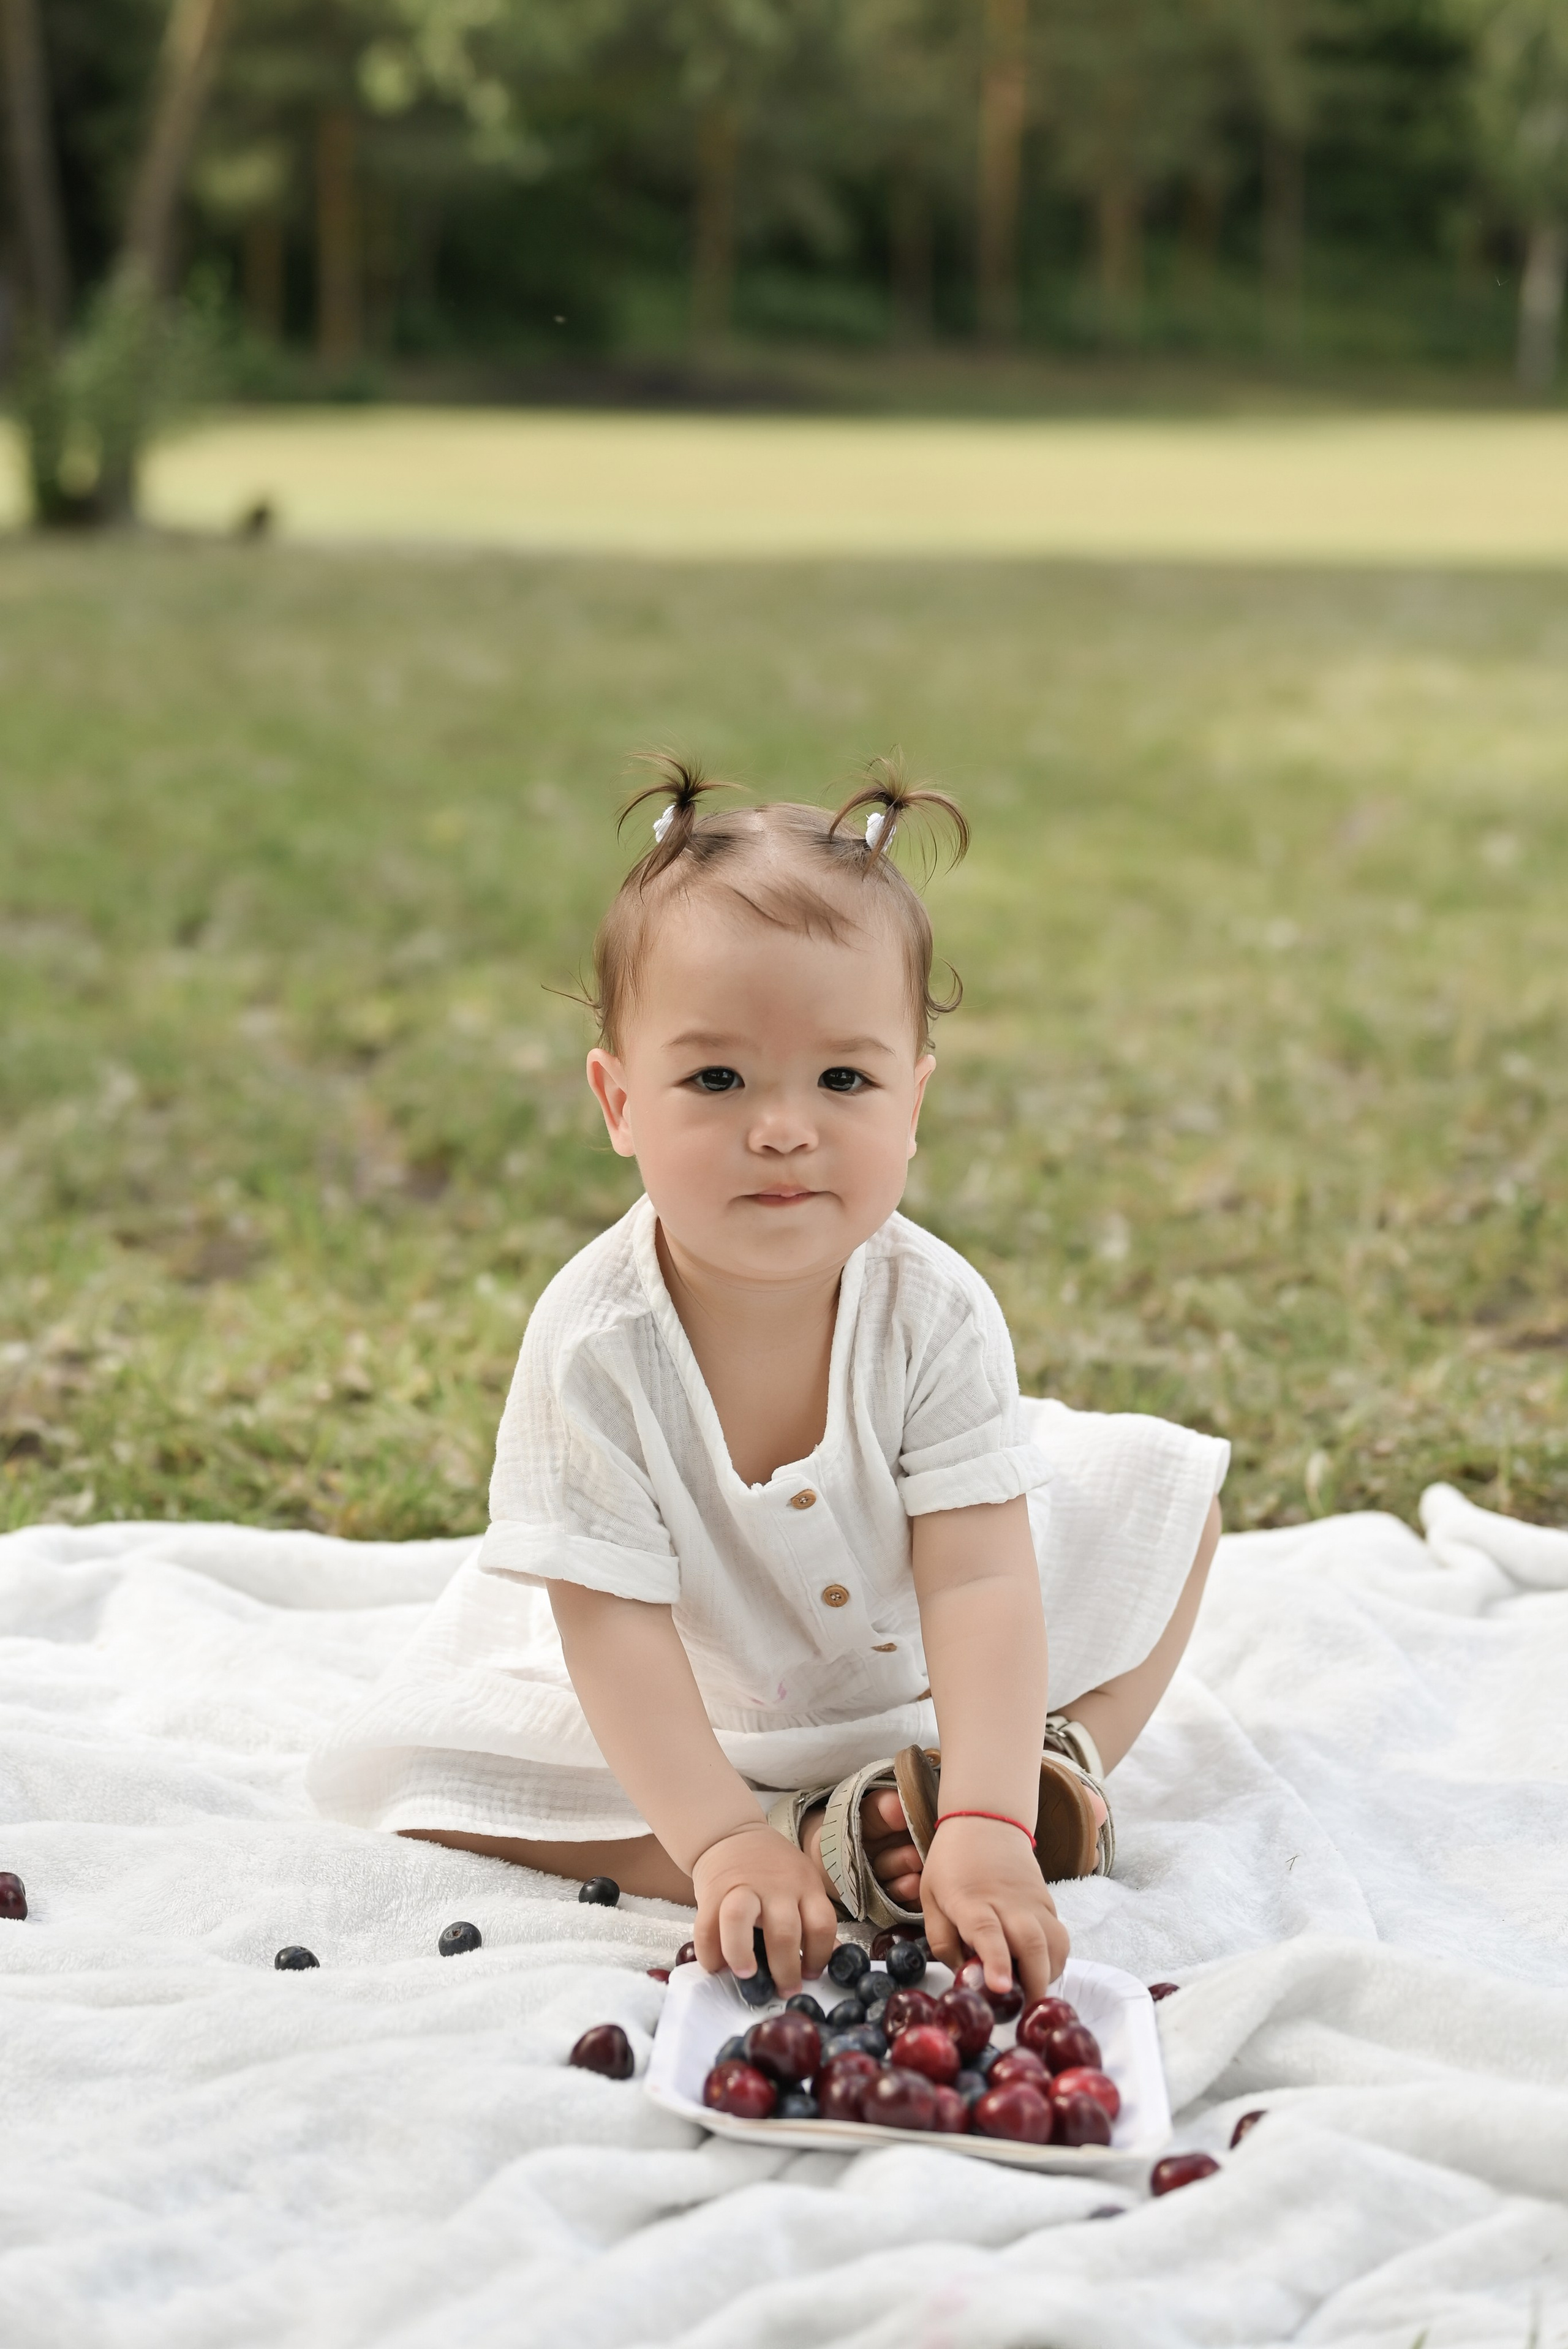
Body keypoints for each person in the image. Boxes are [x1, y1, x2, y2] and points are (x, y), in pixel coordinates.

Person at [307, 761, 1225, 2004]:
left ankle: (1037, 1776)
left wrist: (994, 1821)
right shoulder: (594, 1343)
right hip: (703, 1695)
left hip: (938, 1655)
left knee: (1172, 1506)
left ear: (913, 1102)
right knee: (444, 1783)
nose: (783, 1127)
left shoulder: (932, 1308)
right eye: (718, 1079)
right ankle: (794, 1840)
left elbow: (980, 1571)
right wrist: (717, 1837)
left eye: (843, 1079)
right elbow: (612, 1623)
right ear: (617, 1101)